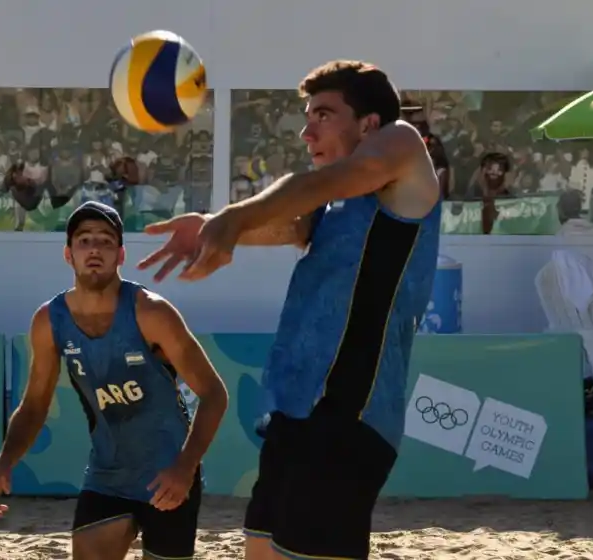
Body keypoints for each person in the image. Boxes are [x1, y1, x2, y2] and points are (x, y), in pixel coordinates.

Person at [138, 61, 441, 560]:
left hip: (352, 414)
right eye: (306, 117)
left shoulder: (401, 144)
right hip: (298, 408)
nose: (306, 132)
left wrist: (233, 217)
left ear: (369, 124)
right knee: (259, 550)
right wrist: (217, 227)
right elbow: (287, 225)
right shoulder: (333, 203)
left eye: (323, 114)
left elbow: (310, 187)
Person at [0, 200, 229, 560]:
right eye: (84, 241)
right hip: (107, 475)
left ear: (121, 255)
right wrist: (4, 462)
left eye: (106, 241)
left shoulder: (151, 311)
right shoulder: (49, 321)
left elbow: (214, 394)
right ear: (68, 254)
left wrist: (185, 468)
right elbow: (35, 404)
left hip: (167, 475)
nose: (94, 249)